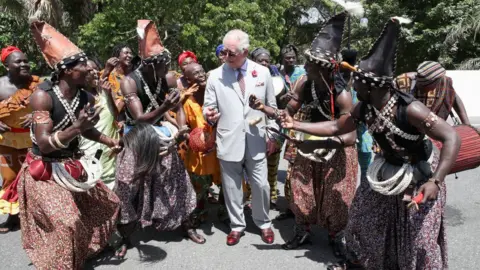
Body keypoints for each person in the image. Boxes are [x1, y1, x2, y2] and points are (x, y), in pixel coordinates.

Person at [280, 17, 460, 270]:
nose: (353, 84)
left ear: (371, 85)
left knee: (419, 240)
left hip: (420, 173)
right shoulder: (365, 106)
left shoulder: (410, 109)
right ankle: (365, 264)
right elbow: (336, 127)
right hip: (385, 169)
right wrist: (297, 126)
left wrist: (435, 181)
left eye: (358, 81)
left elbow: (451, 136)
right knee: (361, 222)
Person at [17, 20, 120, 269]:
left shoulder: (85, 96)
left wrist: (110, 141)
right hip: (45, 170)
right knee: (68, 222)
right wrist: (77, 128)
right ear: (65, 70)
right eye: (82, 65)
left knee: (109, 204)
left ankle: (82, 251)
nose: (89, 69)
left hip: (72, 165)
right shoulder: (43, 97)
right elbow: (44, 144)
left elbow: (88, 129)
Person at [115, 20, 204, 258]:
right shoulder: (129, 81)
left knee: (178, 182)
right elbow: (141, 119)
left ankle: (187, 226)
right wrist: (164, 106)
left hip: (163, 139)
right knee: (126, 186)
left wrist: (182, 127)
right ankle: (125, 236)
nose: (169, 68)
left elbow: (180, 105)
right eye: (164, 64)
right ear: (152, 66)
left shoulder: (169, 77)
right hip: (138, 139)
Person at [279, 11, 359, 253]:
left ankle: (337, 237)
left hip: (337, 147)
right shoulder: (305, 82)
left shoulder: (342, 94)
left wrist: (299, 127)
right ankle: (302, 232)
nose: (304, 66)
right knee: (299, 188)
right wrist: (284, 114)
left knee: (336, 196)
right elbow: (291, 108)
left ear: (323, 68)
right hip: (309, 145)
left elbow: (347, 134)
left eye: (309, 64)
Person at [204, 29, 279, 246]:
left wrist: (272, 134)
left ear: (245, 52)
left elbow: (271, 107)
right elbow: (208, 107)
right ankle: (237, 225)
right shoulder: (215, 76)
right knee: (231, 186)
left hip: (257, 139)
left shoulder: (262, 73)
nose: (225, 56)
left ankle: (263, 222)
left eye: (231, 53)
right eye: (224, 52)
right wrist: (209, 115)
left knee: (261, 184)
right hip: (228, 139)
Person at [181, 62, 229, 225]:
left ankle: (224, 212)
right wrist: (191, 137)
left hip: (221, 146)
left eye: (202, 70)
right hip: (199, 151)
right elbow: (183, 125)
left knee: (225, 182)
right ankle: (200, 212)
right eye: (195, 73)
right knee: (200, 186)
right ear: (188, 79)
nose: (201, 74)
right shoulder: (186, 101)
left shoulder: (218, 94)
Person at [0, 46, 41, 233]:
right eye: (19, 61)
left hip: (32, 138)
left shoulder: (36, 85)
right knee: (10, 177)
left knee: (34, 176)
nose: (24, 64)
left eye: (25, 60)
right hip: (6, 140)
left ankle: (36, 216)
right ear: (7, 65)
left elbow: (49, 105)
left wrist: (35, 116)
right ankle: (13, 217)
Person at [249, 47, 285, 209]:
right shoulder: (247, 78)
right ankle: (251, 196)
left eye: (267, 60)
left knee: (272, 166)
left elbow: (281, 108)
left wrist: (274, 133)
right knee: (252, 166)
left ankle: (272, 195)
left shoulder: (278, 80)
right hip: (253, 129)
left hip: (273, 129)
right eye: (260, 60)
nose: (264, 62)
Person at [78, 58, 120, 189]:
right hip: (92, 150)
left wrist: (108, 94)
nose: (95, 72)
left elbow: (115, 115)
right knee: (97, 184)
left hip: (112, 148)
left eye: (96, 68)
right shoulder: (80, 99)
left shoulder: (103, 91)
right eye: (90, 70)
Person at [276, 43, 307, 221]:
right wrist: (283, 99)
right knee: (276, 156)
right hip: (279, 116)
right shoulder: (276, 74)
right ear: (282, 59)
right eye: (287, 58)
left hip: (299, 121)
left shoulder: (303, 75)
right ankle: (278, 197)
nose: (290, 60)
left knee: (296, 164)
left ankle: (298, 205)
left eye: (293, 58)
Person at [395, 61, 470, 125]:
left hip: (430, 127)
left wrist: (467, 125)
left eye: (425, 87)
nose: (422, 89)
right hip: (404, 128)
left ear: (436, 83)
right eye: (420, 85)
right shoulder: (402, 81)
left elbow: (455, 99)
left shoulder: (443, 83)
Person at [341, 49, 373, 180]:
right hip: (344, 126)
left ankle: (366, 189)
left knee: (365, 159)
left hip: (361, 127)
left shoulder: (360, 78)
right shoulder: (336, 79)